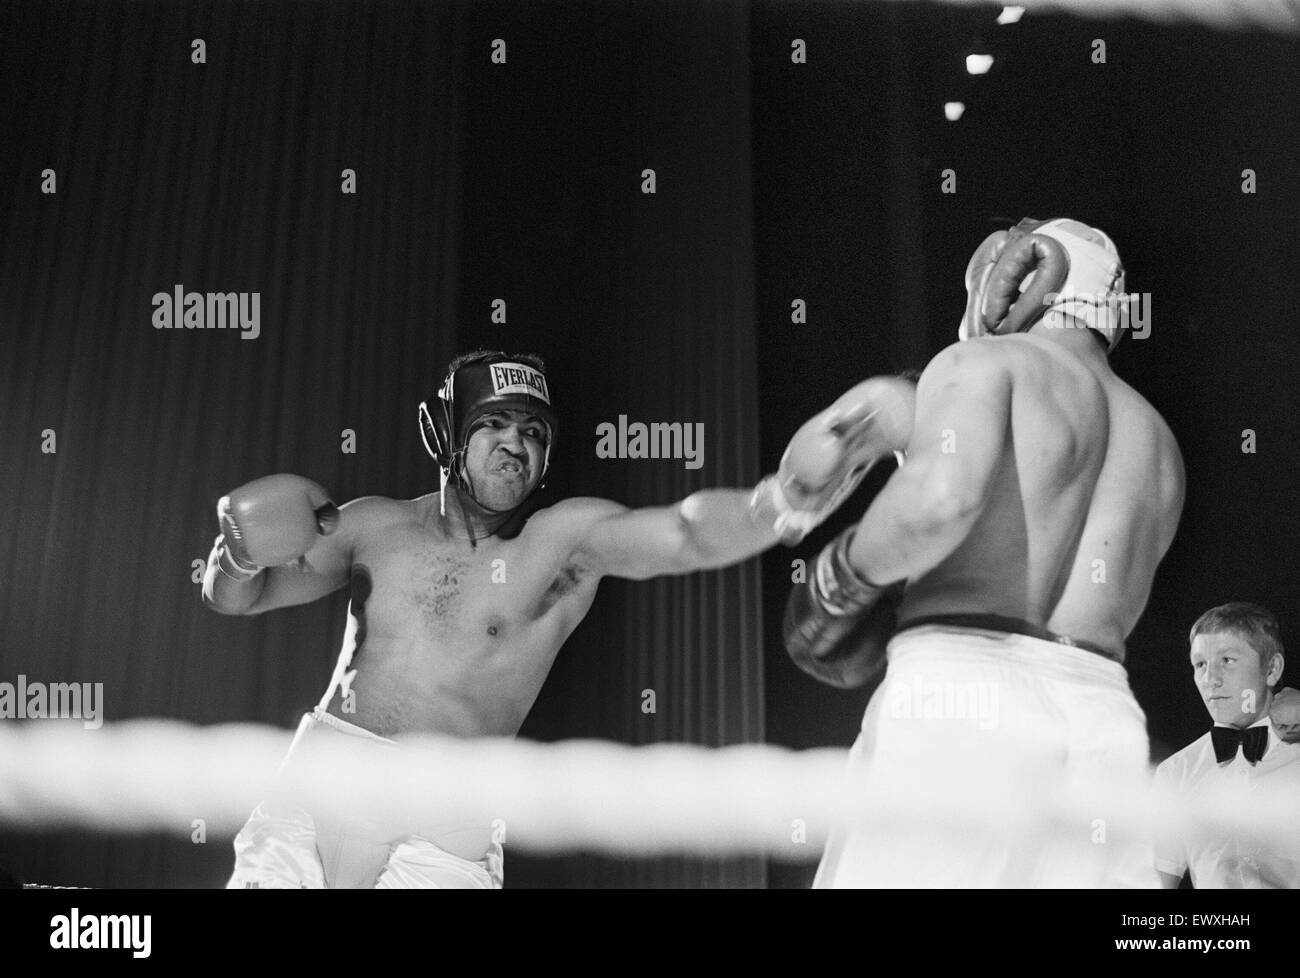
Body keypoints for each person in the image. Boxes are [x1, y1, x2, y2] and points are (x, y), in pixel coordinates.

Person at [204, 350, 914, 887]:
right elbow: (238, 598)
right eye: (492, 424)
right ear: (446, 431)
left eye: (533, 431)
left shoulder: (558, 545)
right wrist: (234, 555)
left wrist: (780, 503)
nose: (516, 444)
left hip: (449, 811)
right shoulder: (371, 526)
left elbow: (684, 534)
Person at [786, 218, 1186, 887]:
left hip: (964, 701)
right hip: (1103, 723)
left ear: (1023, 277)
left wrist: (840, 579)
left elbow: (938, 502)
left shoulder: (984, 364)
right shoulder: (1160, 442)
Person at [1153, 602, 1300, 888]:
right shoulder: (1175, 773)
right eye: (1200, 665)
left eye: (1227, 660)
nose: (1211, 680)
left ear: (1272, 669)